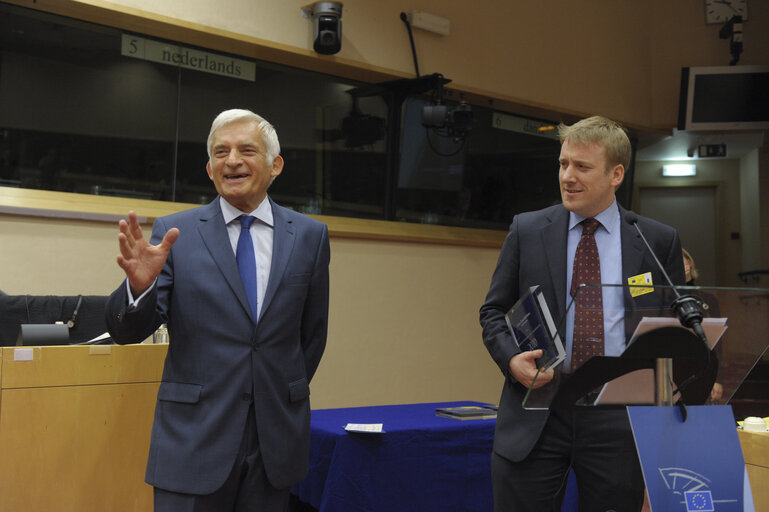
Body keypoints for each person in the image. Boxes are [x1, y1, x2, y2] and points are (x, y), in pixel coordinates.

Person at [105, 108, 330, 512]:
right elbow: (128, 331)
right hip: (193, 441)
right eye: (221, 152)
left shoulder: (310, 236)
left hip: (274, 444)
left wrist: (273, 391)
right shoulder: (176, 234)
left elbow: (311, 336)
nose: (232, 161)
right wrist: (140, 287)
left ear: (275, 165)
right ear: (210, 168)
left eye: (247, 150)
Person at [480, 115, 685, 511]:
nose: (567, 176)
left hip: (618, 418)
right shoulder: (527, 229)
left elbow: (673, 327)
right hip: (538, 411)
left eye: (582, 166)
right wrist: (510, 359)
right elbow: (492, 311)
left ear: (616, 174)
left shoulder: (655, 239)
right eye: (563, 164)